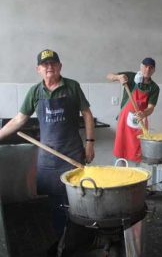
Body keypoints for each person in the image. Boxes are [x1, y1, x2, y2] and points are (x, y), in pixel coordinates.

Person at [0, 49, 95, 255]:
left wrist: (89, 143)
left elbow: (87, 114)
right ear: (38, 69)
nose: (49, 67)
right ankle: (58, 237)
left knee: (77, 198)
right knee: (53, 201)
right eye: (45, 65)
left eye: (53, 63)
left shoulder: (72, 87)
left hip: (71, 154)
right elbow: (19, 119)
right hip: (48, 157)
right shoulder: (35, 92)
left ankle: (78, 239)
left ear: (60, 66)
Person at [107, 57, 160, 166]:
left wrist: (144, 113)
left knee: (137, 150)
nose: (147, 69)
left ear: (154, 70)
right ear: (141, 66)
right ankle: (118, 175)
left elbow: (151, 108)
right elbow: (108, 76)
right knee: (120, 148)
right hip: (124, 121)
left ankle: (136, 175)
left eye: (151, 68)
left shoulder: (154, 88)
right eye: (145, 66)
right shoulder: (131, 77)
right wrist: (118, 77)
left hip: (140, 121)